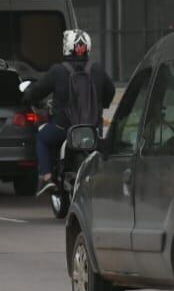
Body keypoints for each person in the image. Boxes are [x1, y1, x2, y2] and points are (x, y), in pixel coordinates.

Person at [22, 31, 114, 196]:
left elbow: (36, 92)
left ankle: (47, 177)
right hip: (91, 129)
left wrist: (27, 96)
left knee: (41, 138)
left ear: (66, 47)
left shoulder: (58, 71)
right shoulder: (98, 69)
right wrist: (102, 105)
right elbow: (111, 91)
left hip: (63, 128)